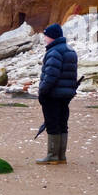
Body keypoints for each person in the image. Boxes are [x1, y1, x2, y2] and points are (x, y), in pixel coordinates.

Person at [36, 23, 78, 165]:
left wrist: (42, 91)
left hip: (53, 95)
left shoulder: (54, 52)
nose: (44, 38)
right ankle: (61, 156)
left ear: (52, 36)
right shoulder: (70, 50)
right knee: (62, 123)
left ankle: (53, 156)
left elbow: (51, 76)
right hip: (66, 95)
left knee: (52, 123)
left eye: (46, 35)